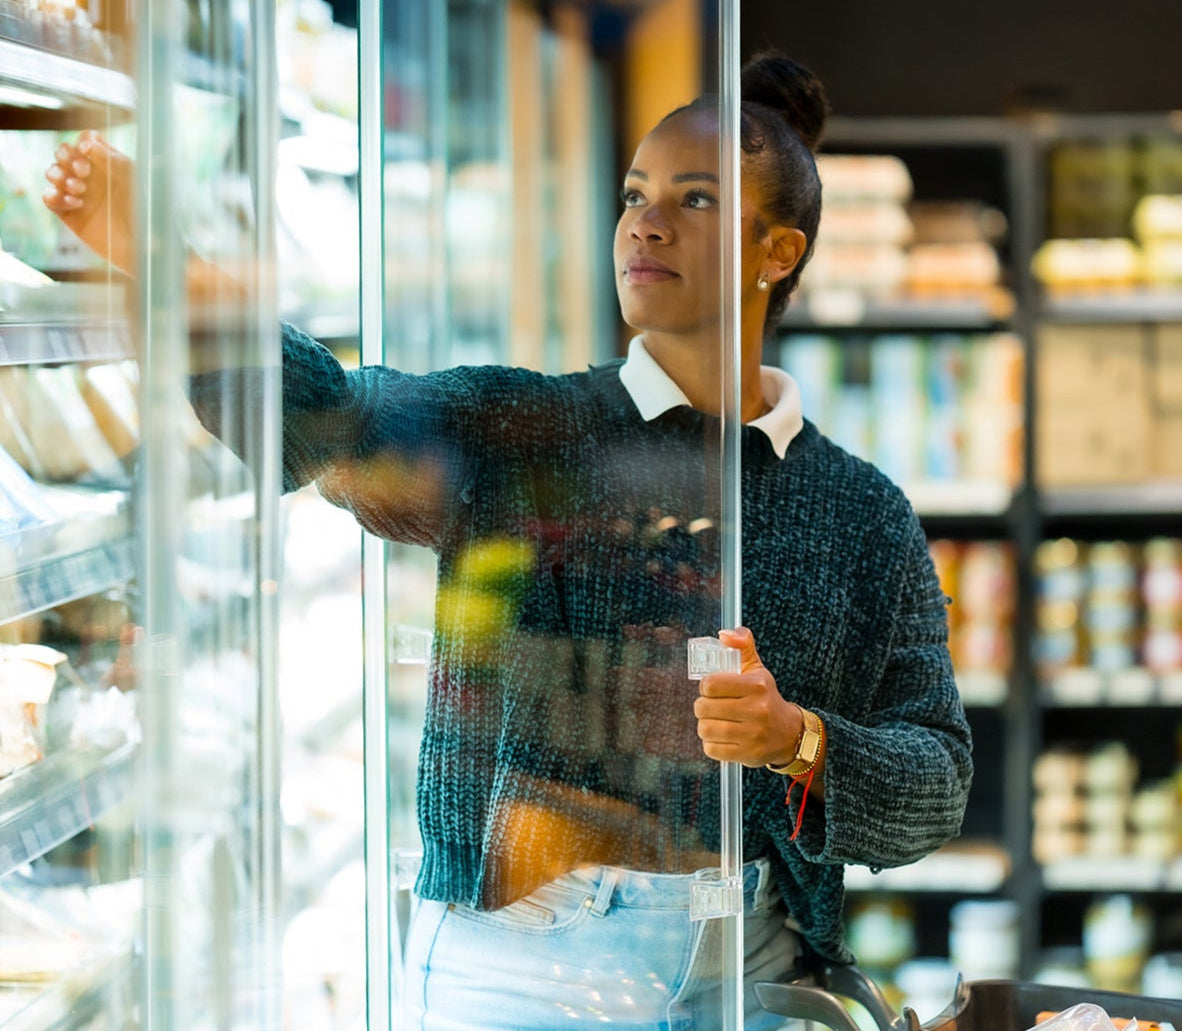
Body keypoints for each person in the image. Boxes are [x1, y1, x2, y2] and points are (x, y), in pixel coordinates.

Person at [46, 53, 972, 1031]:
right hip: (520, 970)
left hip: (746, 966)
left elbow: (937, 772)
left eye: (693, 200)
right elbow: (330, 420)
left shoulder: (862, 509)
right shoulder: (525, 424)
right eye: (634, 194)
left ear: (776, 251)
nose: (644, 224)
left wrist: (799, 739)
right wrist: (167, 259)